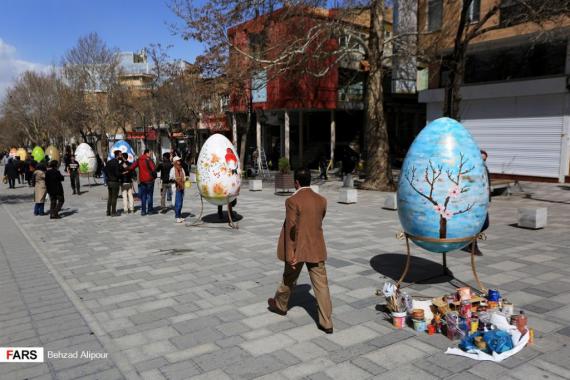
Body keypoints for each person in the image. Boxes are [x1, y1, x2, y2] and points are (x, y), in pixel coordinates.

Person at [267, 168, 333, 334]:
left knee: (288, 278)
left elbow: (291, 228)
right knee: (322, 286)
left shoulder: (292, 201)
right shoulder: (322, 200)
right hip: (316, 248)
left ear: (296, 182)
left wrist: (290, 255)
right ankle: (327, 323)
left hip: (296, 250)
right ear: (310, 180)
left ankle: (281, 306)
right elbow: (319, 220)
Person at [128, 149, 156, 216]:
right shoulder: (148, 159)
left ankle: (143, 211)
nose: (150, 154)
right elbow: (153, 169)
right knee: (149, 195)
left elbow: (132, 167)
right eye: (150, 153)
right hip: (149, 180)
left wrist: (127, 169)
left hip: (142, 180)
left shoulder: (139, 159)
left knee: (143, 196)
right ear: (147, 153)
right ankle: (149, 210)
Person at [169, 156, 187, 223]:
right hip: (176, 187)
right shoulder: (173, 169)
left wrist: (184, 179)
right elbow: (170, 177)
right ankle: (177, 216)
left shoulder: (181, 168)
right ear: (175, 162)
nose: (179, 161)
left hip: (182, 186)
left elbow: (184, 176)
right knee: (177, 203)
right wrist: (176, 179)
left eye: (179, 160)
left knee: (181, 202)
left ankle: (179, 215)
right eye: (178, 160)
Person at [106, 150, 122, 216]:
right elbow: (117, 173)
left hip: (109, 181)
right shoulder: (116, 163)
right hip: (115, 182)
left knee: (110, 197)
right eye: (120, 154)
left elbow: (105, 171)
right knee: (114, 197)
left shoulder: (109, 162)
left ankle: (108, 211)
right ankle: (113, 212)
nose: (121, 156)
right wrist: (121, 174)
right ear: (117, 155)